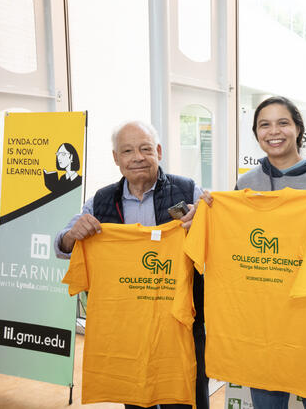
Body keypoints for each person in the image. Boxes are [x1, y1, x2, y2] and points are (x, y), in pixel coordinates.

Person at [204, 96, 306, 409]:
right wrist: (213, 212)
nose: (274, 131)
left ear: (298, 128)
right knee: (267, 400)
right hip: (262, 317)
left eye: (283, 122)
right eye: (264, 124)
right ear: (256, 134)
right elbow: (236, 242)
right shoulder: (246, 183)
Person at [55, 120, 209, 409]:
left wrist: (203, 225)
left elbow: (217, 247)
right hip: (128, 326)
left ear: (159, 151)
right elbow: (62, 246)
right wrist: (70, 236)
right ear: (116, 158)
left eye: (145, 148)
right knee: (137, 399)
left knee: (188, 397)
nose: (137, 157)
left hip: (182, 323)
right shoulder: (100, 202)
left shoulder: (190, 192)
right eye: (127, 151)